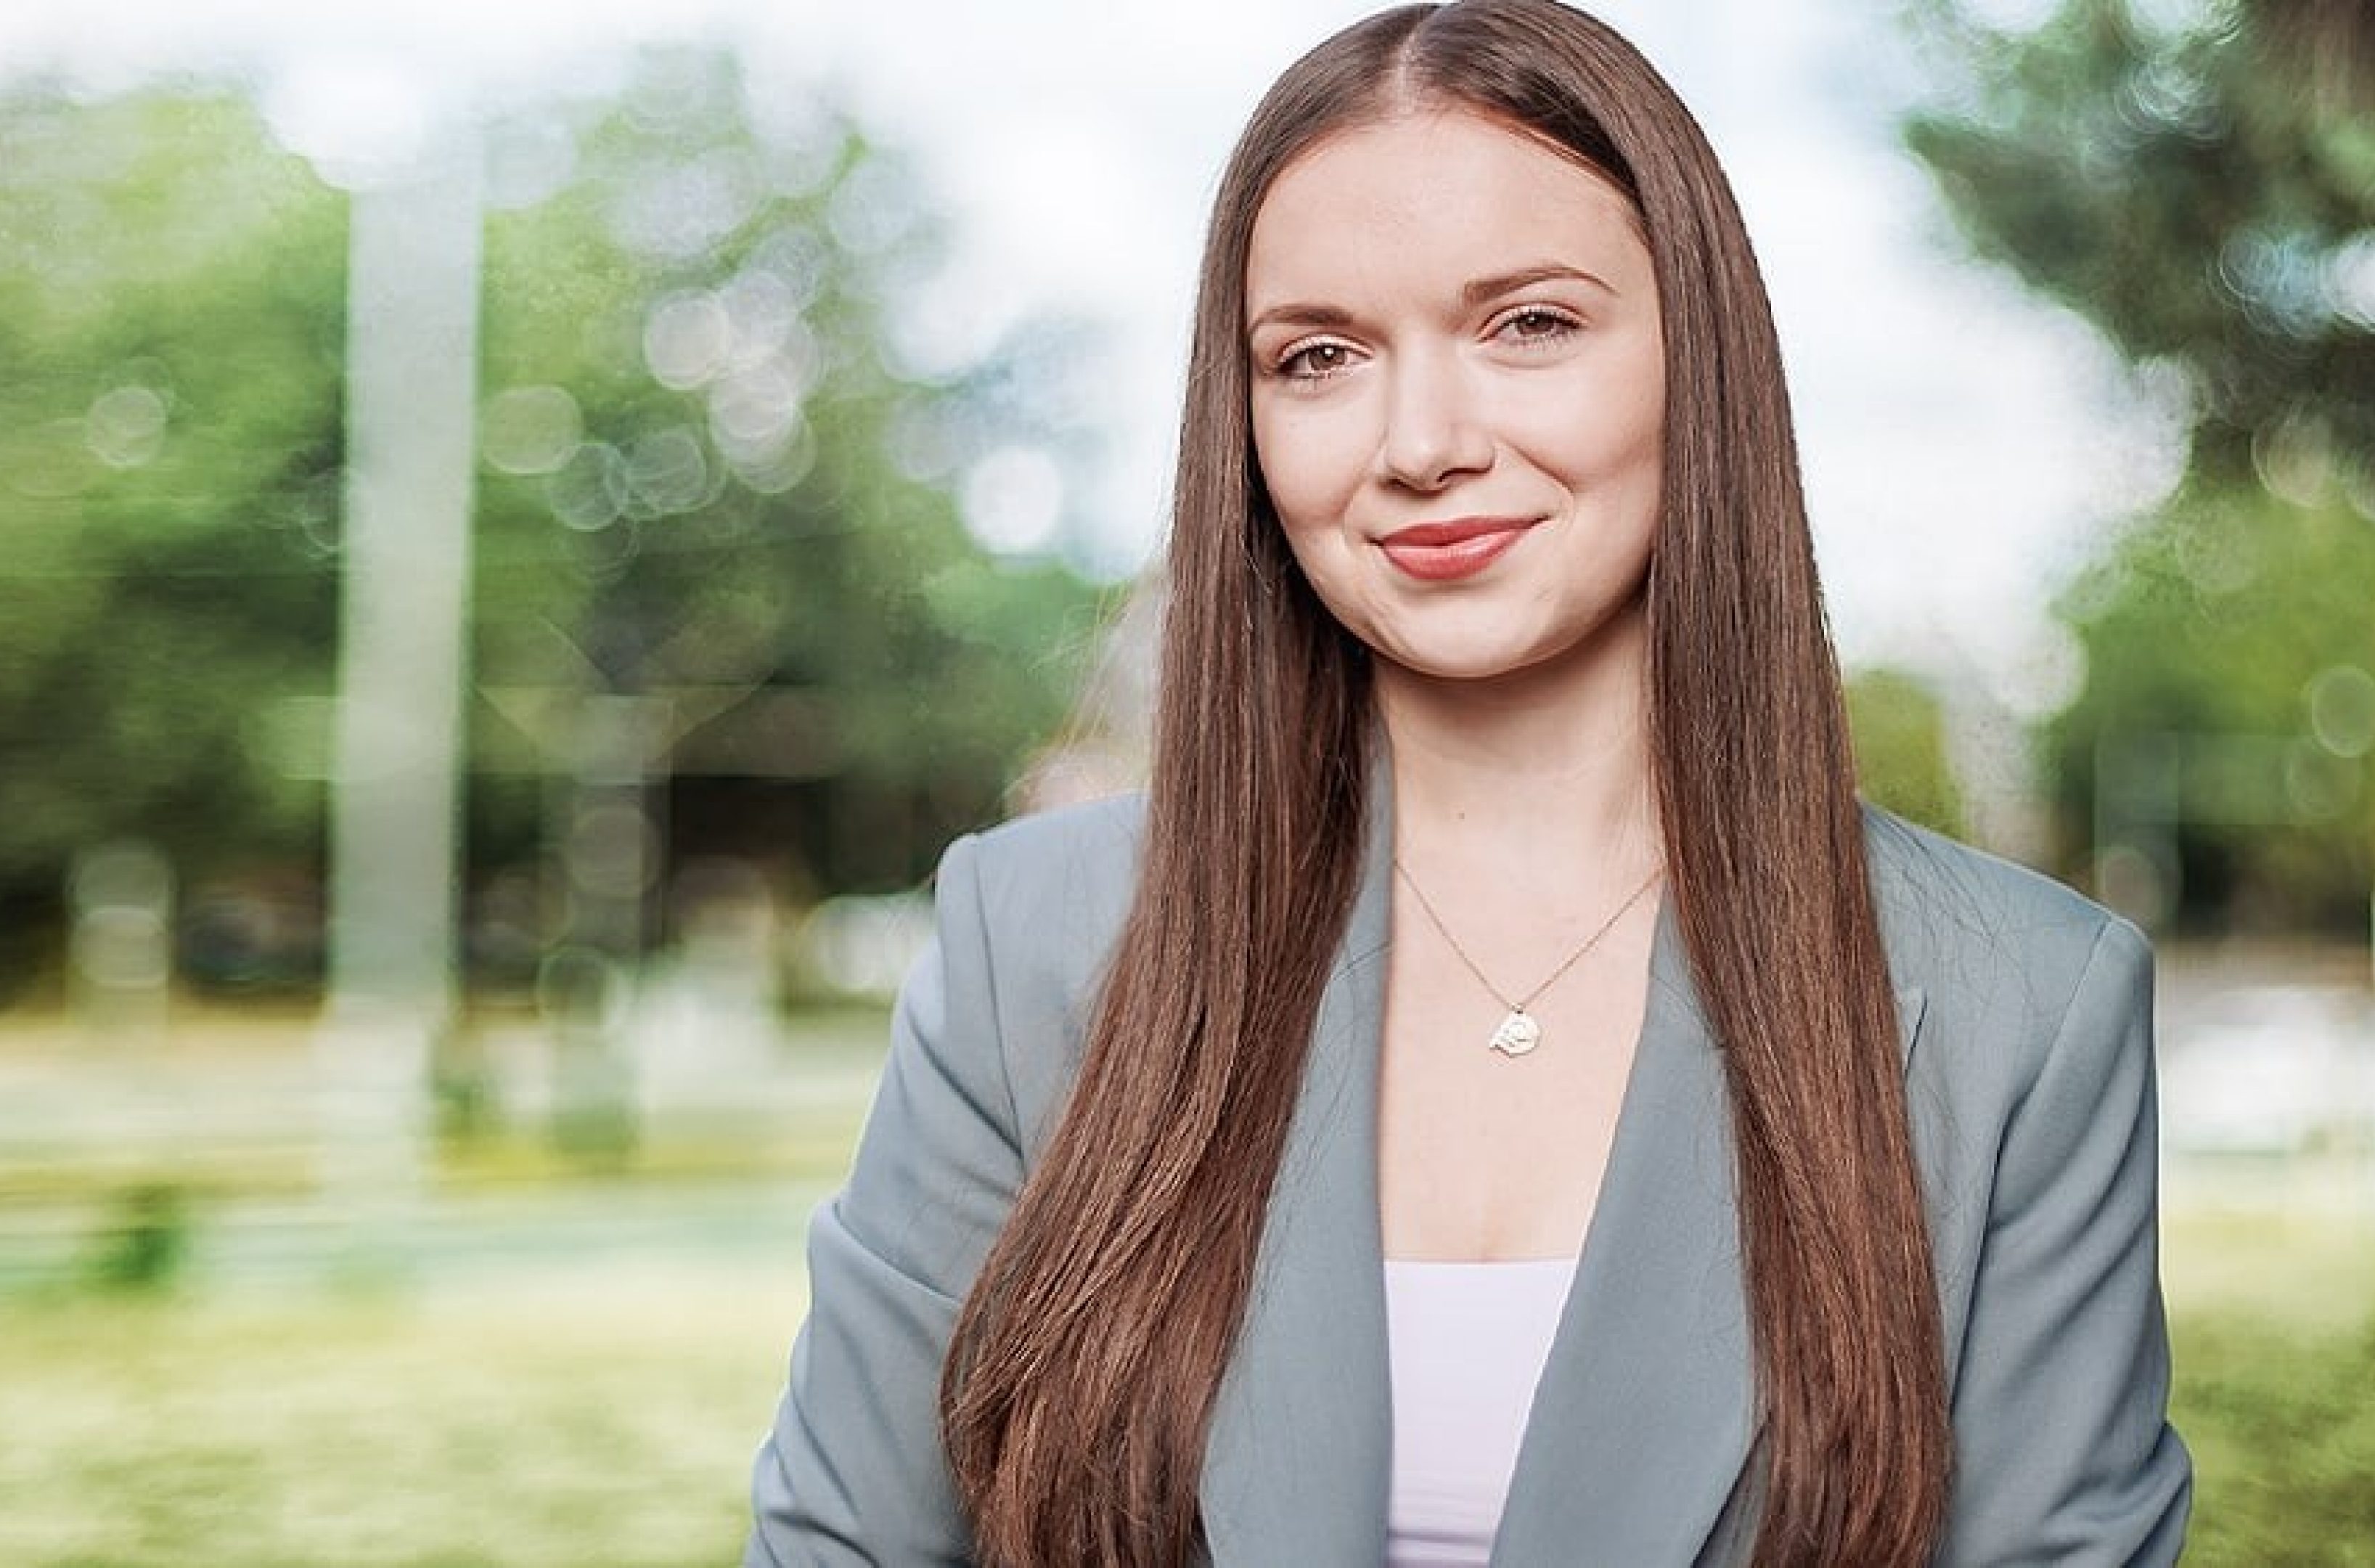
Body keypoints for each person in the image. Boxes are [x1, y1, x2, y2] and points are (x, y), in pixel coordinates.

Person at [747, 2, 2194, 1563]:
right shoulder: (1027, 938)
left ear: (1698, 360)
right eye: (1318, 357)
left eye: (1531, 326)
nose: (1421, 443)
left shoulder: (2022, 1010)